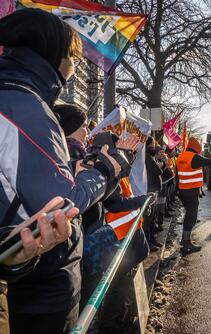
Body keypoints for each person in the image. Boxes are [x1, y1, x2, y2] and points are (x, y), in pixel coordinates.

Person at [0, 9, 129, 333]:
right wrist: (106, 168)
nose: (75, 66)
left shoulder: (15, 98)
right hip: (46, 285)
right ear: (53, 56)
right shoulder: (25, 106)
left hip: (32, 274)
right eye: (73, 56)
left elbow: (21, 187)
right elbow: (61, 203)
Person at [0, 196, 79, 334]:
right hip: (37, 299)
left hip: (64, 285)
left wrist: (10, 253)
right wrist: (102, 174)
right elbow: (77, 195)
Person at [176, 137, 211, 252]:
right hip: (191, 191)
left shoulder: (180, 157)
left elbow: (177, 176)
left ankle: (184, 239)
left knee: (188, 214)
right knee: (191, 217)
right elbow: (209, 161)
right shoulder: (194, 157)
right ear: (196, 148)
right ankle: (187, 243)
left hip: (182, 190)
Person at [144, 137, 163, 251]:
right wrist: (160, 166)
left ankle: (152, 239)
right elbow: (158, 171)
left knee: (152, 219)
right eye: (151, 145)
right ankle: (148, 242)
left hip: (153, 190)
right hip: (149, 190)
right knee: (148, 219)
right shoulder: (147, 157)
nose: (154, 147)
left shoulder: (149, 156)